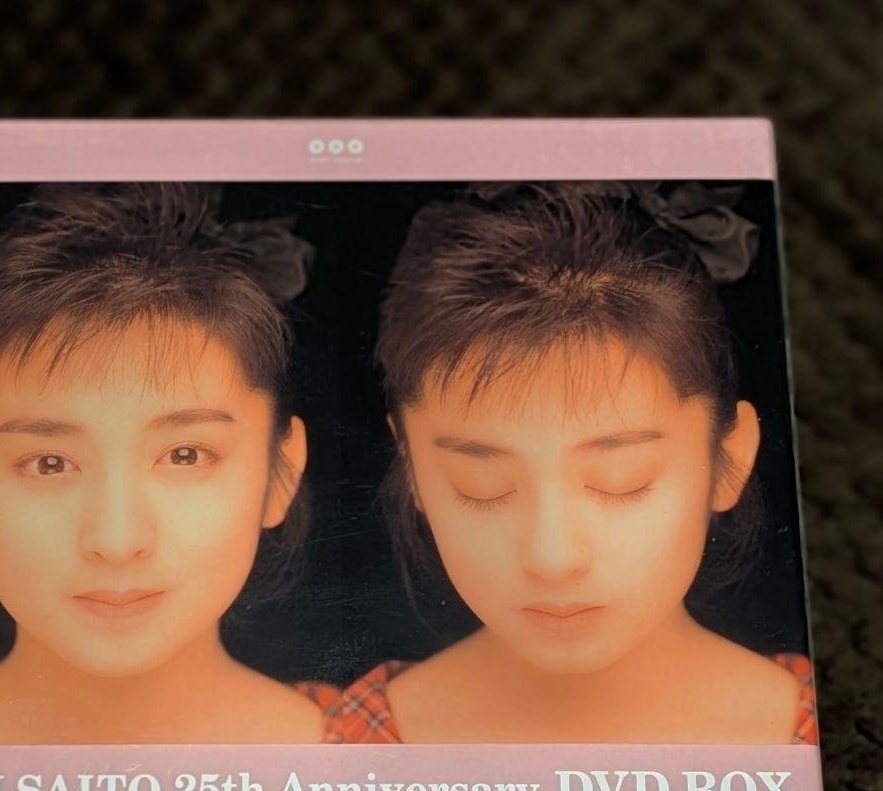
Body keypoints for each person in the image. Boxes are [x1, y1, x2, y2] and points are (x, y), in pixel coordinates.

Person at [323, 182, 815, 745]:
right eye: (481, 485)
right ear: (411, 467)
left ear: (730, 456)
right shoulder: (349, 745)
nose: (553, 558)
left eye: (622, 480)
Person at [0, 183, 324, 745]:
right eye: (49, 464)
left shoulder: (378, 745)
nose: (116, 541)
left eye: (184, 455)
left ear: (282, 470)